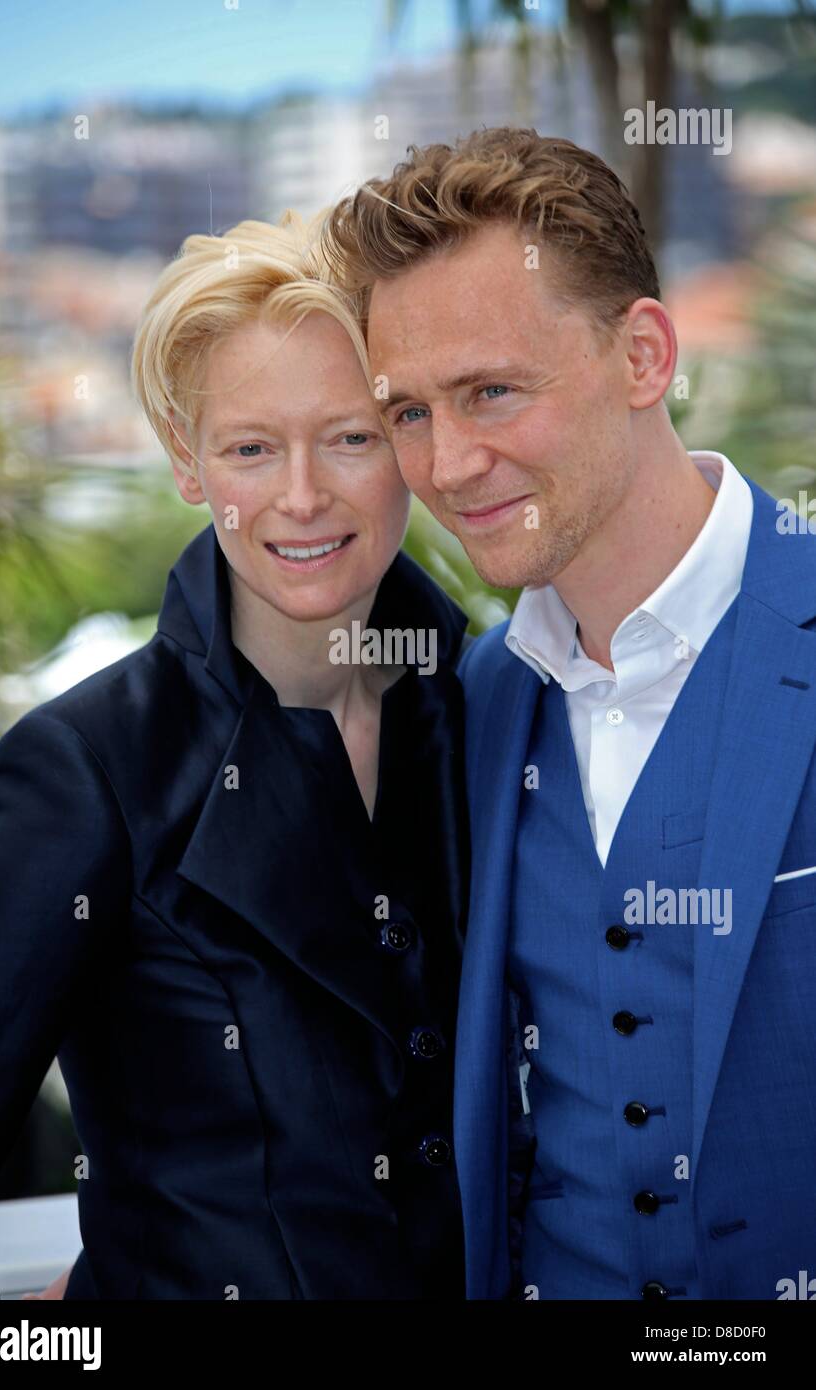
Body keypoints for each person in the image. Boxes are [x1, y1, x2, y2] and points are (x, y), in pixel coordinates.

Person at [323, 126, 816, 1301]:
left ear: (642, 355)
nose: (447, 463)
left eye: (492, 390)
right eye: (407, 412)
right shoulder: (471, 705)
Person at [0, 212, 470, 1300]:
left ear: (408, 442)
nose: (300, 495)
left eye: (351, 435)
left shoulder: (489, 713)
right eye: (248, 447)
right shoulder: (85, 769)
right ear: (187, 462)